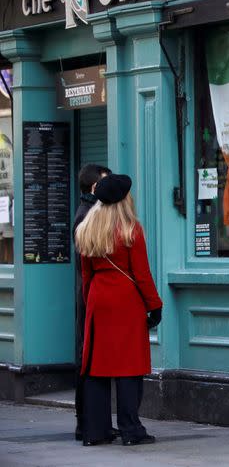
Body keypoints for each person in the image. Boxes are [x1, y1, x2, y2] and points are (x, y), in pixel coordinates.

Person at [75, 174, 163, 446]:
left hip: (98, 299)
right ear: (125, 200)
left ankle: (95, 431)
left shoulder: (87, 228)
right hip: (126, 301)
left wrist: (91, 303)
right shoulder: (131, 230)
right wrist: (154, 305)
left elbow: (86, 276)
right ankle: (130, 429)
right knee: (128, 367)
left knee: (96, 367)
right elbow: (142, 274)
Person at [72, 164, 111, 441]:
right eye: (106, 184)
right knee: (87, 360)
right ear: (95, 188)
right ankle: (86, 422)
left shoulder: (91, 213)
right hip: (88, 298)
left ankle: (91, 422)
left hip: (89, 296)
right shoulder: (87, 217)